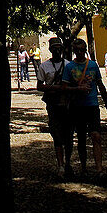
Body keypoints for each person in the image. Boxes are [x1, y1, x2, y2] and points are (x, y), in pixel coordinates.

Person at [64, 38, 107, 178]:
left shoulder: (92, 65)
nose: (80, 52)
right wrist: (77, 89)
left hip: (92, 105)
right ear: (74, 51)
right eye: (77, 50)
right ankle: (84, 168)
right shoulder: (69, 67)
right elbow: (65, 88)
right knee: (81, 138)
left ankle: (99, 169)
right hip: (77, 107)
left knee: (96, 136)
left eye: (82, 50)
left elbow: (100, 85)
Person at [37, 37, 72, 179]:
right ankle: (60, 164)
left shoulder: (69, 65)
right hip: (53, 104)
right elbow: (39, 86)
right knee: (57, 136)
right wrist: (55, 88)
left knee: (69, 136)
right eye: (55, 48)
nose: (57, 51)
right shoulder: (44, 66)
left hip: (67, 104)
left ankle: (68, 162)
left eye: (59, 48)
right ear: (50, 50)